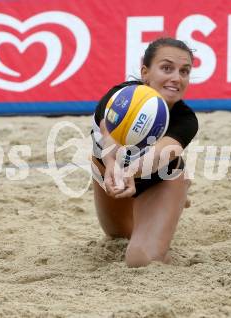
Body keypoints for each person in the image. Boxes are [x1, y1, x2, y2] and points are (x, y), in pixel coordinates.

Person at [90, 37, 199, 267]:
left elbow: (160, 154)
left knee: (141, 260)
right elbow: (109, 138)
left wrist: (128, 171)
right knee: (118, 236)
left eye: (184, 71)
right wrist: (112, 165)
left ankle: (176, 192)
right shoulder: (120, 97)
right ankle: (176, 199)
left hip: (158, 179)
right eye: (167, 68)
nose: (176, 78)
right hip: (110, 172)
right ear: (145, 72)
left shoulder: (185, 120)